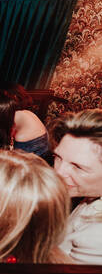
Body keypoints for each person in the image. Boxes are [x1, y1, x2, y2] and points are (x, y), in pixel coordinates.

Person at [50, 109, 102, 264]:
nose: (57, 172)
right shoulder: (90, 192)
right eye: (58, 157)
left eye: (78, 167)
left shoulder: (96, 235)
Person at [0, 83, 50, 157]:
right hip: (44, 144)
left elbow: (4, 137)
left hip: (32, 145)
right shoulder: (26, 112)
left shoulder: (15, 114)